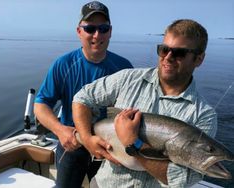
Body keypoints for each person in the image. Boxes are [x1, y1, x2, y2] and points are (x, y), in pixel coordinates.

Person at [72, 19, 217, 187]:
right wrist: (87, 138)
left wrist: (134, 143)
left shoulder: (204, 115)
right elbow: (83, 97)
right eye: (163, 50)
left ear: (199, 59)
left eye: (179, 53)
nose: (168, 58)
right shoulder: (128, 79)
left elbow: (181, 180)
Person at [34, 1, 133, 187]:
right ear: (79, 31)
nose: (97, 35)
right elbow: (41, 104)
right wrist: (60, 130)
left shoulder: (124, 68)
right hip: (73, 144)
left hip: (110, 146)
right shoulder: (63, 65)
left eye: (103, 28)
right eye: (90, 28)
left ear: (110, 31)